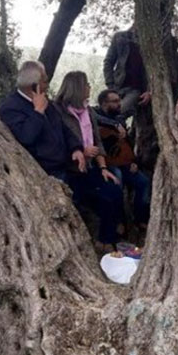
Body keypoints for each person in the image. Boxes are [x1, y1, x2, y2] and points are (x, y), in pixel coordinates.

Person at [54, 71, 124, 251]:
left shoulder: (88, 111)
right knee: (100, 199)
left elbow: (97, 141)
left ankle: (105, 240)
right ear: (77, 88)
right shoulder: (58, 111)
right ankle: (101, 240)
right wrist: (81, 152)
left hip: (92, 166)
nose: (89, 88)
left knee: (114, 189)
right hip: (71, 169)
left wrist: (103, 167)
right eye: (86, 85)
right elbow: (58, 142)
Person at [0, 61, 85, 181]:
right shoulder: (11, 107)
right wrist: (38, 112)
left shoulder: (45, 102)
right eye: (45, 81)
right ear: (34, 86)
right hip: (44, 172)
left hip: (66, 165)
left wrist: (76, 148)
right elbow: (26, 137)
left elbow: (63, 128)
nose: (48, 85)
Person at [94, 89, 152, 229]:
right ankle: (119, 221)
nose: (119, 104)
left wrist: (133, 162)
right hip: (107, 165)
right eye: (115, 101)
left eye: (119, 101)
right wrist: (114, 126)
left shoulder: (119, 119)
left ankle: (140, 219)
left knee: (143, 183)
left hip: (124, 163)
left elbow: (127, 145)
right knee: (116, 181)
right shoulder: (94, 116)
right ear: (104, 103)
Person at [103, 24, 151, 120]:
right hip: (117, 86)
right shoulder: (120, 37)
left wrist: (149, 91)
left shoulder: (149, 43)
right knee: (104, 112)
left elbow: (153, 73)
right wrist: (110, 84)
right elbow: (108, 62)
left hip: (135, 90)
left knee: (119, 112)